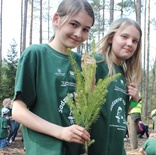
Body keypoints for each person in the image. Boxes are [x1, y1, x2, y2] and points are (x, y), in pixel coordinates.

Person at [12, 0, 95, 154]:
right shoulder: (36, 54)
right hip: (44, 149)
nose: (78, 34)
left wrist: (91, 79)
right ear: (56, 19)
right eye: (74, 24)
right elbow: (18, 110)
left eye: (85, 29)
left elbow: (85, 109)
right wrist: (60, 132)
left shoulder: (81, 62)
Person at [88, 18, 142, 155]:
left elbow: (120, 111)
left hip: (117, 147)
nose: (130, 43)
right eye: (124, 36)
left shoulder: (124, 74)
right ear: (111, 38)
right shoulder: (95, 63)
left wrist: (134, 100)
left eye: (135, 41)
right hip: (95, 147)